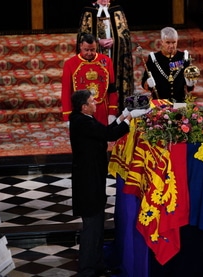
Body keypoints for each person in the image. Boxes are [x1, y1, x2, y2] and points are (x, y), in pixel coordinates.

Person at [69, 89, 148, 277]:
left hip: (93, 178)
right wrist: (129, 119)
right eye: (92, 101)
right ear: (84, 107)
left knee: (97, 226)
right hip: (87, 182)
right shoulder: (82, 122)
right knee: (91, 227)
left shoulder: (84, 118)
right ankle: (86, 269)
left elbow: (106, 130)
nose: (96, 103)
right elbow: (108, 135)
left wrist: (124, 115)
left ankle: (97, 263)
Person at [78, 0, 134, 111]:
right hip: (95, 56)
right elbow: (82, 35)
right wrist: (98, 42)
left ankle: (117, 109)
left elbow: (125, 35)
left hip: (115, 56)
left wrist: (115, 40)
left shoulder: (117, 10)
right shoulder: (88, 11)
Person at [61, 33, 118, 126]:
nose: (89, 53)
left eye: (92, 50)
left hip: (102, 110)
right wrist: (67, 116)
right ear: (80, 46)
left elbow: (112, 89)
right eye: (86, 50)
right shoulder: (70, 64)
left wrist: (112, 112)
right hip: (81, 111)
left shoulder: (106, 61)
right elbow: (66, 92)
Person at [141, 27, 196, 103]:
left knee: (183, 114)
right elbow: (144, 82)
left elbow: (189, 88)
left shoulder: (184, 57)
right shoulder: (154, 58)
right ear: (161, 42)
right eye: (168, 42)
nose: (171, 46)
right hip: (159, 102)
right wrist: (148, 83)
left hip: (179, 102)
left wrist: (190, 83)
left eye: (174, 42)